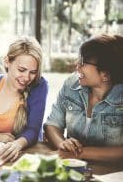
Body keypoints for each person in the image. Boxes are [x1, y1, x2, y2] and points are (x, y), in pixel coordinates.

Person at [44, 34, 123, 162]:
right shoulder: (71, 84)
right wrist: (62, 144)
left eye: (83, 62)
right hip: (71, 167)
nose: (77, 65)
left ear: (105, 75)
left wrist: (80, 153)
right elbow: (52, 124)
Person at [0, 36, 48, 162]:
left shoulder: (39, 85)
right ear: (7, 61)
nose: (27, 78)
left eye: (33, 72)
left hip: (24, 156)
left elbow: (33, 130)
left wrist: (17, 144)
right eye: (21, 70)